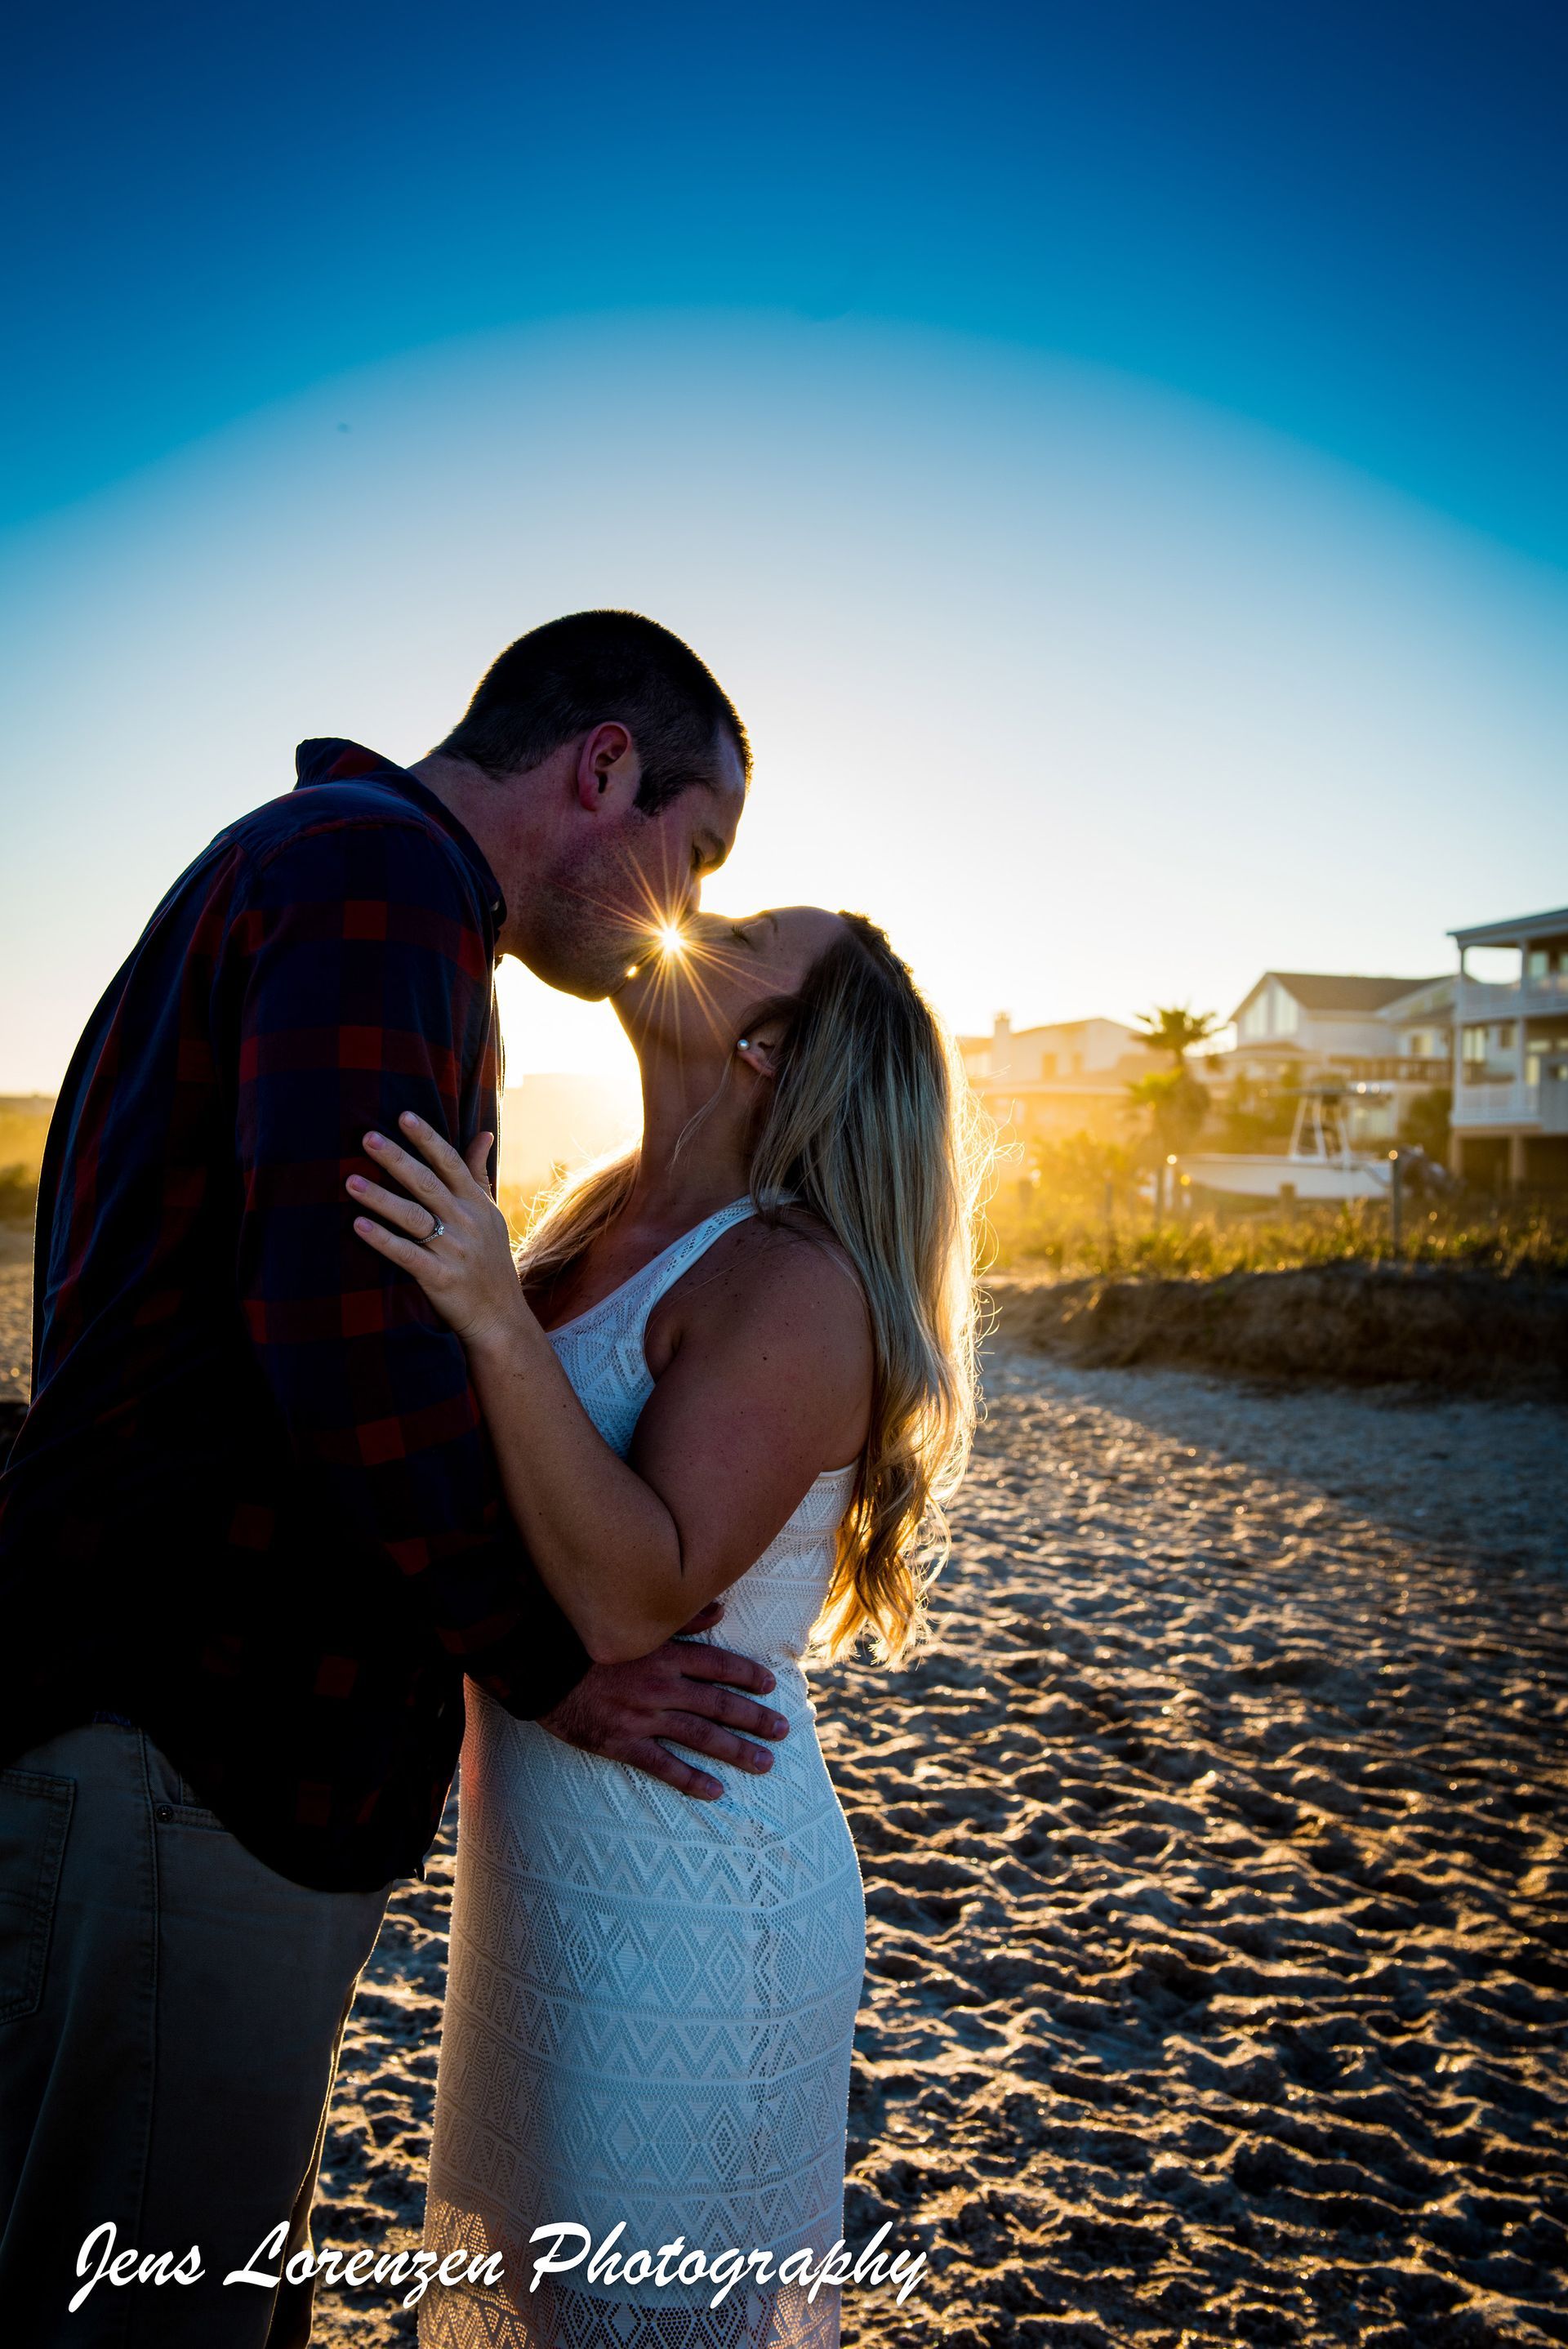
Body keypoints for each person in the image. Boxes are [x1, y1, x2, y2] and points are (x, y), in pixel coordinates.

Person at [0, 611, 794, 2348]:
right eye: (700, 848)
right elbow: (346, 1337)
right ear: (604, 767)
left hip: (172, 1730)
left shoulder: (311, 871)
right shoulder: (380, 885)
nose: (688, 901)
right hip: (201, 1733)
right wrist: (556, 1669)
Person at [345, 901, 983, 2348]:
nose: (689, 920)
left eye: (742, 931)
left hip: (694, 1879)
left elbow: (638, 1596)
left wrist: (491, 1311)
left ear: (773, 1048)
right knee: (532, 2288)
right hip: (544, 1865)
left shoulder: (794, 1279)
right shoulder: (592, 1214)